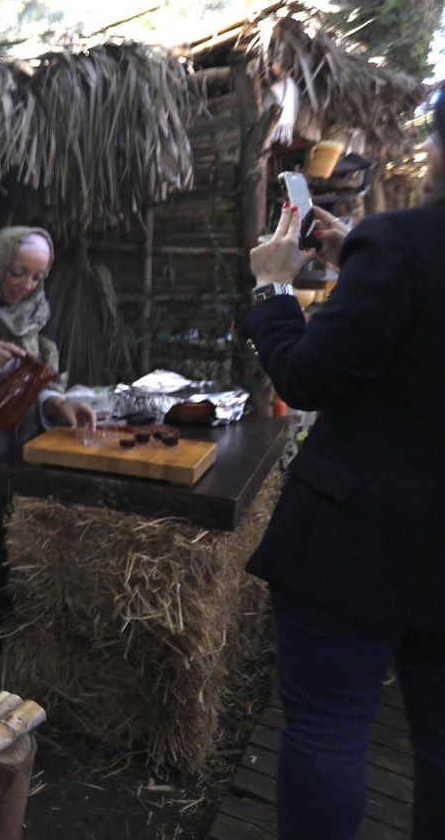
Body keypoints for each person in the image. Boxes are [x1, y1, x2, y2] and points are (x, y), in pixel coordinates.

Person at [241, 88, 445, 840]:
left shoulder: (402, 244)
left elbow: (307, 377)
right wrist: (356, 247)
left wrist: (272, 284)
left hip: (355, 538)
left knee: (327, 730)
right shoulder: (390, 246)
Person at [0, 226, 96, 463]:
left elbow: (43, 379)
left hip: (15, 445)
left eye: (37, 277)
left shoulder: (36, 316)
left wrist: (58, 404)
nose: (27, 285)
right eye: (17, 273)